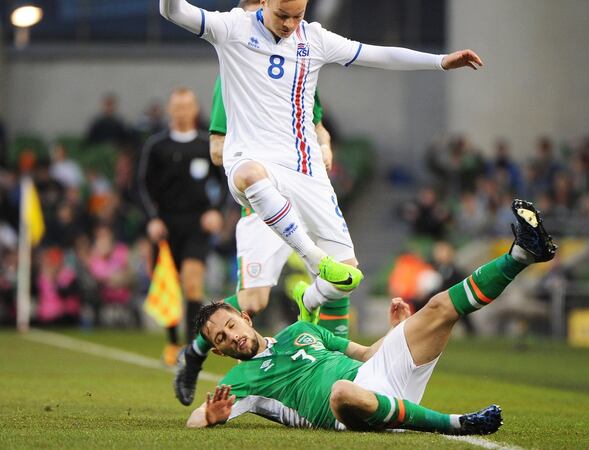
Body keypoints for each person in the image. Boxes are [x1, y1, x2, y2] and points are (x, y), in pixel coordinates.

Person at [158, 0, 481, 353]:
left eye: (297, 16)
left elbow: (377, 54)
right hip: (251, 161)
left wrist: (440, 61)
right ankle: (313, 258)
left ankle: (308, 299)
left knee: (348, 276)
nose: (289, 24)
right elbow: (173, 11)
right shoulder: (232, 28)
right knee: (250, 176)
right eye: (282, 15)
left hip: (305, 171)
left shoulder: (314, 39)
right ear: (264, 2)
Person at [185, 199, 557, 433]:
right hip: (349, 410)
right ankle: (455, 423)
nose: (231, 336)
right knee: (342, 391)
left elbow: (366, 355)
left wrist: (395, 331)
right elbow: (194, 419)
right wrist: (211, 417)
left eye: (230, 325)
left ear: (245, 318)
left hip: (379, 375)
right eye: (221, 339)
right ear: (219, 351)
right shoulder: (240, 381)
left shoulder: (299, 331)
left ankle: (523, 254)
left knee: (439, 307)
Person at [174, 0, 348, 407]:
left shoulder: (298, 62)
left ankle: (344, 367)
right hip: (266, 202)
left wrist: (322, 145)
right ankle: (196, 351)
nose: (282, 29)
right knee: (254, 301)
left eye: (292, 19)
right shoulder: (237, 69)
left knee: (341, 270)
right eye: (274, 18)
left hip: (306, 192)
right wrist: (264, 169)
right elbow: (218, 149)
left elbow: (316, 122)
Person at [137, 87, 226, 365]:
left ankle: (190, 347)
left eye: (186, 106)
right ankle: (172, 342)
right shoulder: (157, 146)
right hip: (165, 224)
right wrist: (152, 218)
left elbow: (225, 181)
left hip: (196, 223)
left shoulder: (205, 144)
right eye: (177, 107)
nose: (182, 112)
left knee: (192, 283)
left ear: (195, 109)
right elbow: (141, 186)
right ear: (169, 110)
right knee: (169, 286)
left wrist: (215, 211)